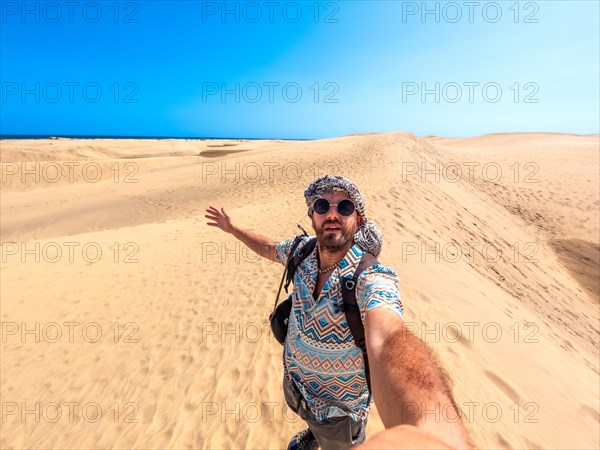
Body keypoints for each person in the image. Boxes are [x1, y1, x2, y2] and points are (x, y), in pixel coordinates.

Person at [205, 175, 471, 450]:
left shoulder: (369, 277)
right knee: (311, 420)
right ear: (312, 217)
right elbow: (269, 248)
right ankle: (313, 433)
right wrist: (232, 228)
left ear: (358, 221)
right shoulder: (300, 251)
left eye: (344, 207)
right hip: (298, 386)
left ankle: (324, 438)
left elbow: (389, 338)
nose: (332, 213)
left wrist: (433, 433)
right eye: (322, 206)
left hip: (339, 414)